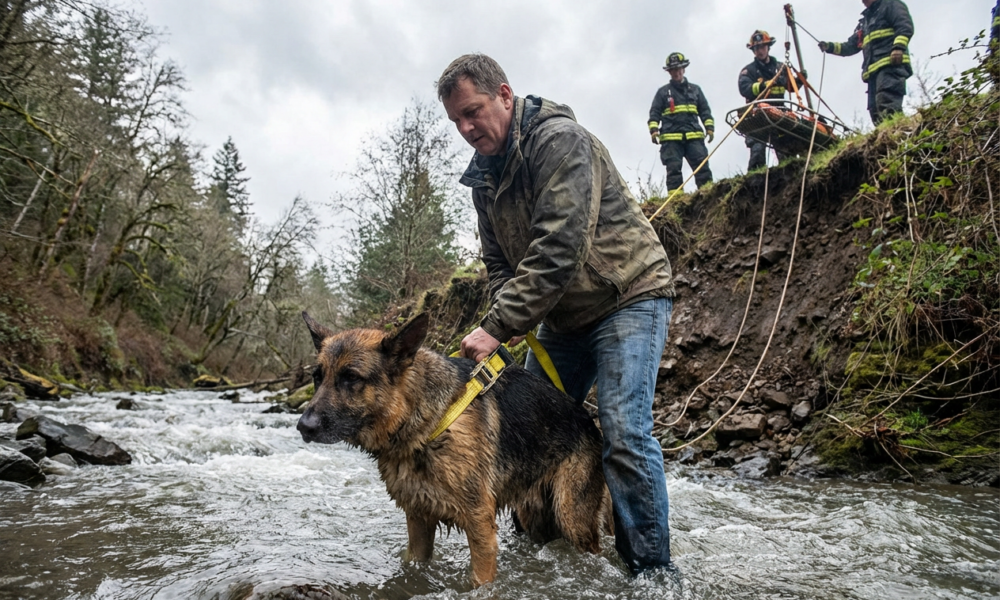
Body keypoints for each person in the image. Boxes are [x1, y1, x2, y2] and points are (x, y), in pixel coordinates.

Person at [437, 53, 675, 574]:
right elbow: (499, 265)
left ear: (505, 95)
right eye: (456, 120)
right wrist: (509, 321)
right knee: (530, 428)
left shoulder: (560, 141)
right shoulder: (482, 181)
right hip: (562, 318)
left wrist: (497, 327)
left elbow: (559, 248)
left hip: (628, 296)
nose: (466, 128)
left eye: (473, 112)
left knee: (624, 433)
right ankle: (540, 557)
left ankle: (652, 573)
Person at [818, 0, 914, 125]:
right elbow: (851, 46)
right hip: (873, 72)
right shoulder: (865, 22)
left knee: (887, 102)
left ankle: (899, 130)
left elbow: (904, 26)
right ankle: (887, 134)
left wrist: (898, 47)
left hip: (890, 64)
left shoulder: (891, 5)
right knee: (875, 110)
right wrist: (829, 47)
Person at [648, 52, 714, 193]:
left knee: (702, 168)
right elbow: (654, 113)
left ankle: (709, 196)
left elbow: (704, 111)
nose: (676, 72)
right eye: (673, 70)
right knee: (673, 170)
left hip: (694, 136)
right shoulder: (663, 92)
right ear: (669, 72)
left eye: (678, 69)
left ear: (683, 69)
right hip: (671, 139)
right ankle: (676, 200)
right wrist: (654, 131)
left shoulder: (695, 90)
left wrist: (709, 127)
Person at [739, 30, 792, 170]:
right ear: (753, 51)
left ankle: (787, 176)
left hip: (779, 114)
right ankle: (756, 179)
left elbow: (791, 87)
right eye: (756, 48)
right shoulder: (748, 71)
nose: (760, 51)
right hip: (758, 117)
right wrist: (763, 86)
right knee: (757, 151)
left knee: (786, 153)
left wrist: (799, 79)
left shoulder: (780, 68)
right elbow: (744, 88)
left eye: (762, 47)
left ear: (768, 47)